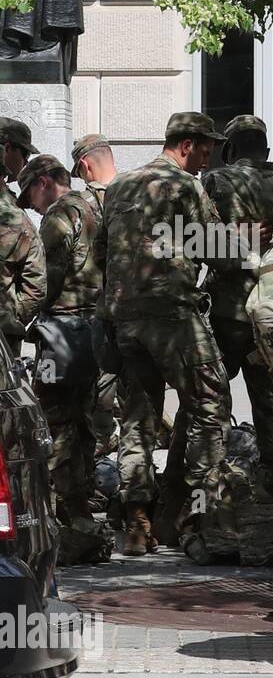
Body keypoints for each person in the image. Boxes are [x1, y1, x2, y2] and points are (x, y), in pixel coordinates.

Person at [99, 112, 236, 558]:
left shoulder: (119, 186)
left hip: (125, 319)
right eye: (206, 146)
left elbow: (104, 252)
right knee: (211, 405)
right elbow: (219, 249)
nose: (209, 155)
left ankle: (136, 523)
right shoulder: (185, 187)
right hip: (172, 317)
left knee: (138, 416)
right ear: (186, 144)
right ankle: (198, 518)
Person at [196, 114, 273, 498]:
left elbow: (200, 244)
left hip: (227, 311)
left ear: (230, 150)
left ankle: (210, 484)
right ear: (265, 149)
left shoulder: (216, 181)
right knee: (271, 402)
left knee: (210, 399)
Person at [16, 153, 112, 562]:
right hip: (93, 329)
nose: (33, 208)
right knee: (83, 422)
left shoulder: (59, 215)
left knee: (53, 423)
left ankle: (59, 510)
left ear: (42, 183)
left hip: (62, 334)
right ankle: (80, 510)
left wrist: (22, 314)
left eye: (30, 198)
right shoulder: (93, 208)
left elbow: (46, 278)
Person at [70, 134, 121, 457]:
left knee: (94, 398)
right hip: (139, 313)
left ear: (85, 166)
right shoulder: (137, 195)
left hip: (96, 313)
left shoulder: (81, 206)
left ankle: (96, 466)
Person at [0, 117, 45, 356]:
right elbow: (35, 284)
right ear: (7, 148)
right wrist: (12, 318)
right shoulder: (15, 218)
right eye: (25, 154)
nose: (26, 162)